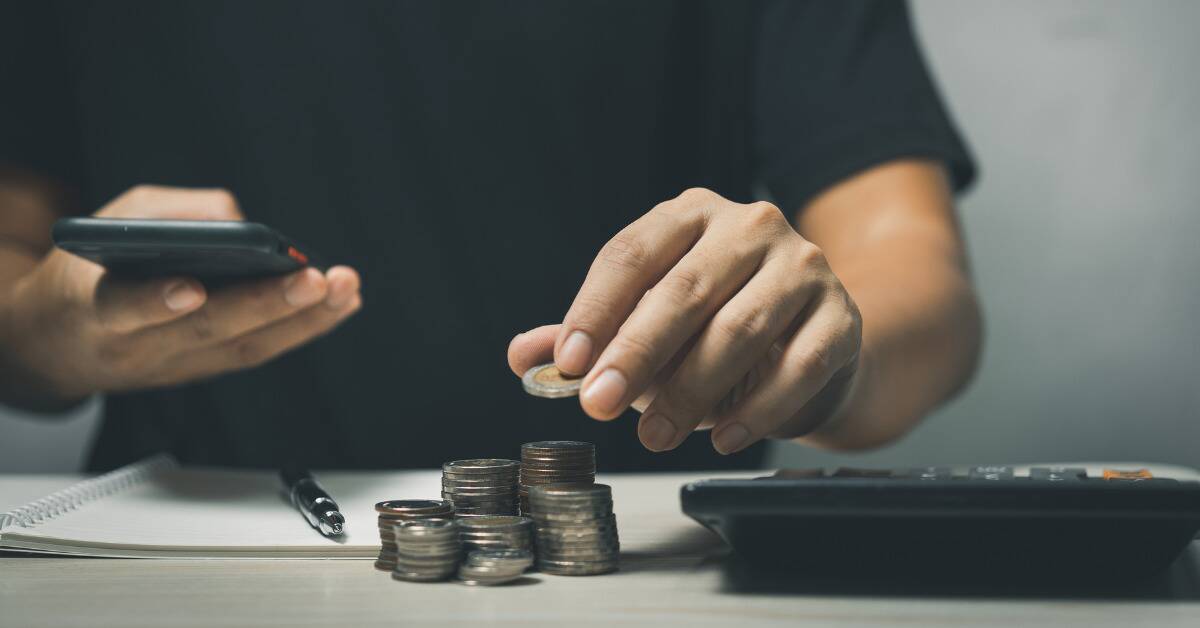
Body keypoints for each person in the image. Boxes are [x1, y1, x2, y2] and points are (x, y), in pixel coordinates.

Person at [0, 1, 980, 472]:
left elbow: (920, 288)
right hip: (171, 575)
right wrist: (33, 334)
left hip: (648, 577)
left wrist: (824, 353)